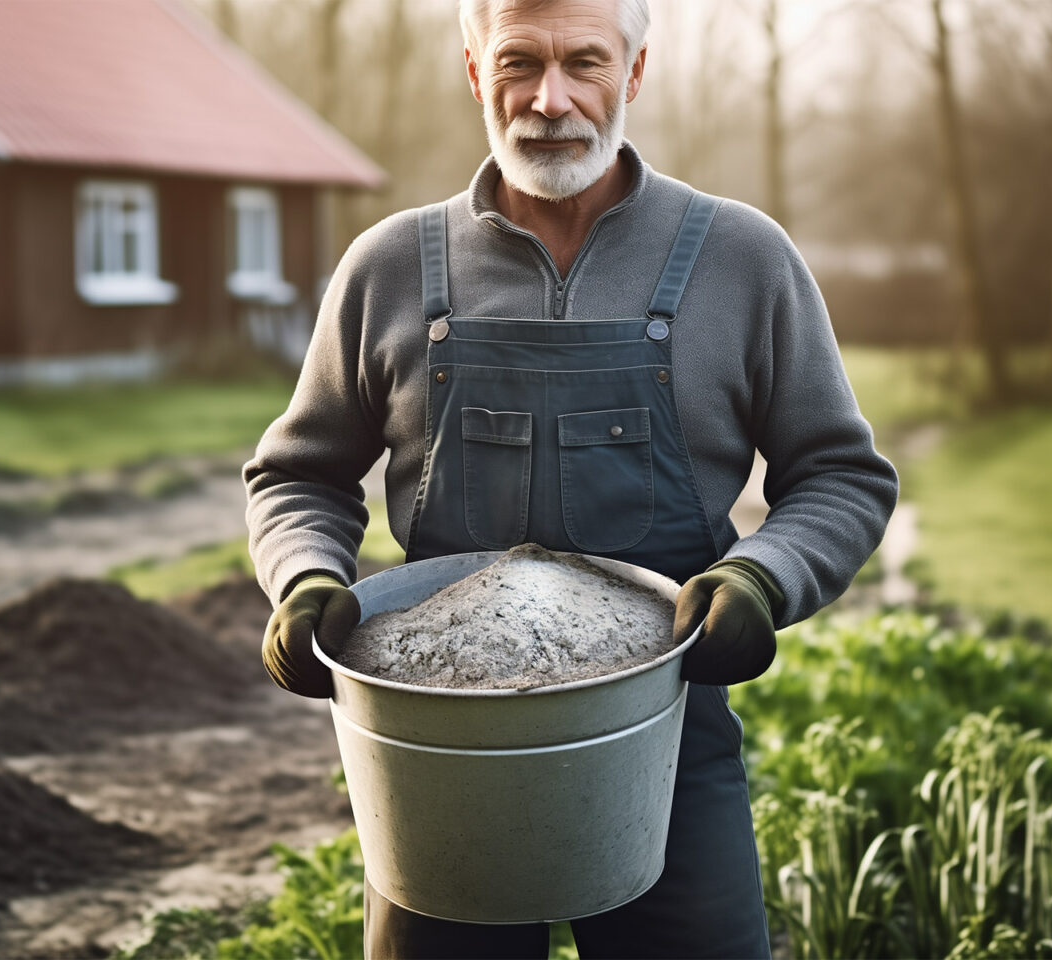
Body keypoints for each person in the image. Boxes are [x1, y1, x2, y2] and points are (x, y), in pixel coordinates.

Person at [243, 0, 898, 955]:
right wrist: (304, 577)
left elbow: (842, 473)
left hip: (668, 738)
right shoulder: (387, 267)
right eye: (519, 63)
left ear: (632, 74)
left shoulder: (743, 260)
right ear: (475, 72)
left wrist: (764, 579)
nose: (549, 101)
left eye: (584, 63)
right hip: (438, 761)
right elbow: (297, 475)